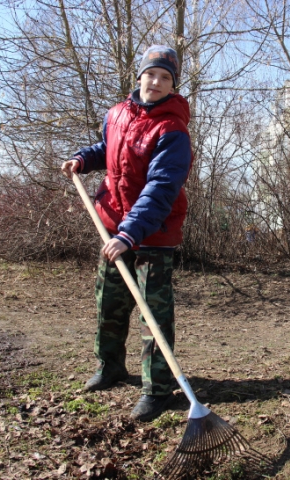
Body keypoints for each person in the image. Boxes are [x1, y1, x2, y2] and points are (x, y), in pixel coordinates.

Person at [61, 45, 192, 422]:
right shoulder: (118, 113)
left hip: (152, 233)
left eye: (166, 77)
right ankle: (111, 366)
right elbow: (111, 149)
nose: (156, 82)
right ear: (140, 77)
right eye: (151, 74)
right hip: (113, 226)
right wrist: (84, 159)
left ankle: (158, 389)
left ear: (173, 85)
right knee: (110, 303)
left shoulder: (173, 130)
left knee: (153, 313)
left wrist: (130, 233)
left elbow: (161, 188)